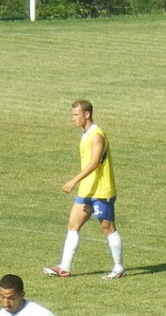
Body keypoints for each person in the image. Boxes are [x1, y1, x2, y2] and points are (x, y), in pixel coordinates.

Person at [43, 100, 125, 280]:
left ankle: (119, 268)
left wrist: (73, 180)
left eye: (75, 115)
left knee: (108, 229)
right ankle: (64, 267)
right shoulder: (86, 134)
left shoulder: (97, 135)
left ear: (86, 115)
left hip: (101, 192)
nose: (72, 119)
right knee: (73, 226)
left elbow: (95, 163)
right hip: (86, 191)